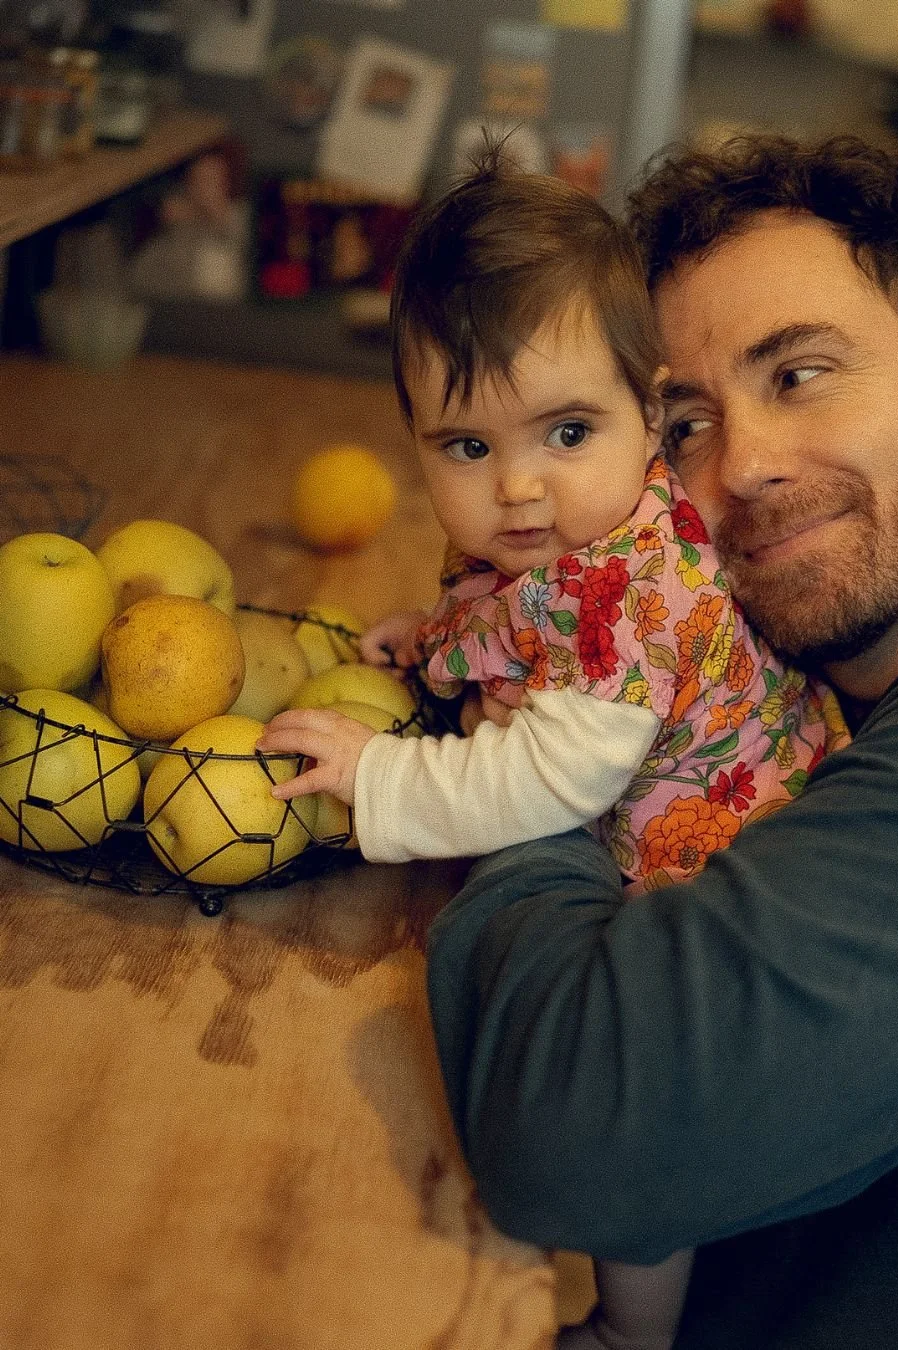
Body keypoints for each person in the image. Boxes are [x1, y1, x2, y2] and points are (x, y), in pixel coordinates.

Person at [421, 134, 898, 1349]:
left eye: (802, 373)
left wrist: (536, 773)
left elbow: (579, 1126)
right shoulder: (786, 677)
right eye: (681, 425)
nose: (748, 468)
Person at [256, 155, 847, 1350]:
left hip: (729, 871)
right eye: (464, 448)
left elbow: (544, 775)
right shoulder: (564, 543)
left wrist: (380, 780)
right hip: (684, 826)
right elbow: (515, 625)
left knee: (653, 1139)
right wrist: (429, 639)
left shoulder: (630, 594)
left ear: (649, 416)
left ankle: (636, 1331)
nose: (519, 486)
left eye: (567, 430)